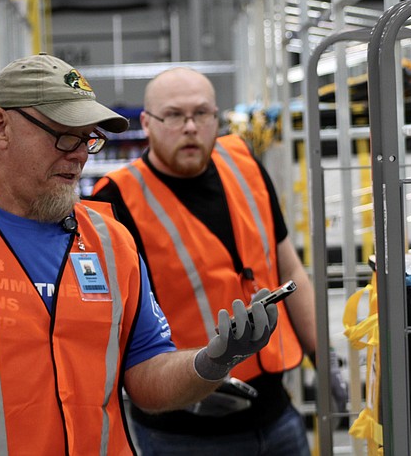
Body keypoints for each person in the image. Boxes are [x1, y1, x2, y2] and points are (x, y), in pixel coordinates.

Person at [0, 54, 282, 456]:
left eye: (89, 139)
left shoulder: (111, 241)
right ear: (0, 127)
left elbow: (145, 374)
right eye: (64, 136)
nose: (80, 155)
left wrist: (211, 361)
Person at [92, 67, 338, 456]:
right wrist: (187, 389)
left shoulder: (245, 164)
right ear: (147, 123)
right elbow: (109, 322)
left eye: (202, 114)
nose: (190, 127)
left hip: (276, 416)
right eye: (174, 115)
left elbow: (288, 269)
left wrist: (323, 358)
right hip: (182, 431)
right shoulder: (114, 200)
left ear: (216, 117)